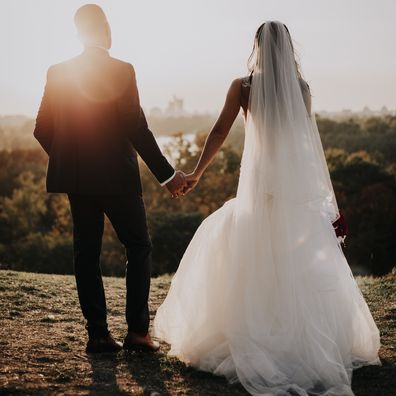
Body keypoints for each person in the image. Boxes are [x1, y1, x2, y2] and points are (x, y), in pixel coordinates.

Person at [154, 21, 380, 395]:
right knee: (294, 260)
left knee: (251, 250)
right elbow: (306, 145)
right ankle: (296, 338)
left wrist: (196, 171)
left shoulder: (243, 87)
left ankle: (257, 330)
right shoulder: (302, 90)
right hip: (290, 187)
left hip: (259, 185)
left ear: (257, 47)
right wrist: (322, 197)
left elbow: (220, 131)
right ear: (288, 48)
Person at [34, 4, 186, 354]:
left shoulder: (57, 71)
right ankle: (137, 333)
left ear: (78, 32)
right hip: (118, 179)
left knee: (86, 254)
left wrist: (71, 161)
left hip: (77, 180)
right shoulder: (122, 70)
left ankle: (98, 336)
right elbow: (136, 126)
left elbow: (41, 128)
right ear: (105, 29)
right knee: (138, 246)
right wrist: (168, 175)